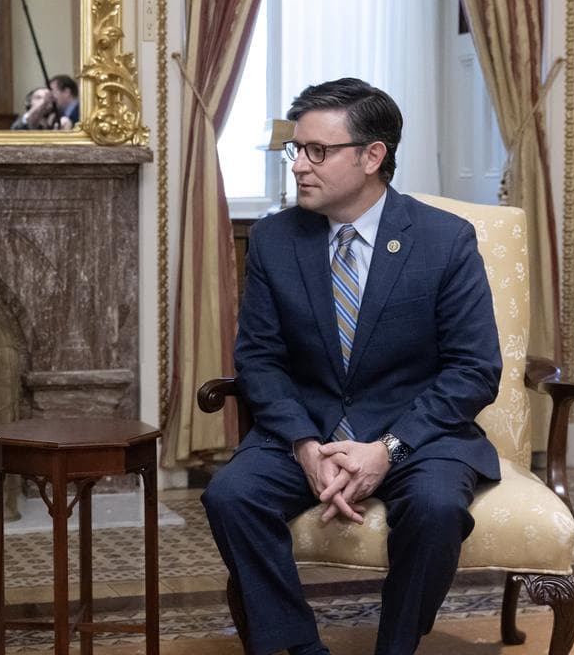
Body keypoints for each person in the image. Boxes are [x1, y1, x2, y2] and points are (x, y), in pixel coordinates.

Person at [202, 77, 502, 655]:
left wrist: (386, 450)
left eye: (318, 151)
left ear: (372, 156)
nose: (299, 166)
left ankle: (396, 646)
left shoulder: (444, 241)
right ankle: (298, 648)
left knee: (437, 508)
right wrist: (305, 445)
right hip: (307, 427)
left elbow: (473, 369)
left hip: (418, 433)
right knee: (231, 496)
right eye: (297, 149)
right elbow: (259, 359)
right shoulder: (273, 239)